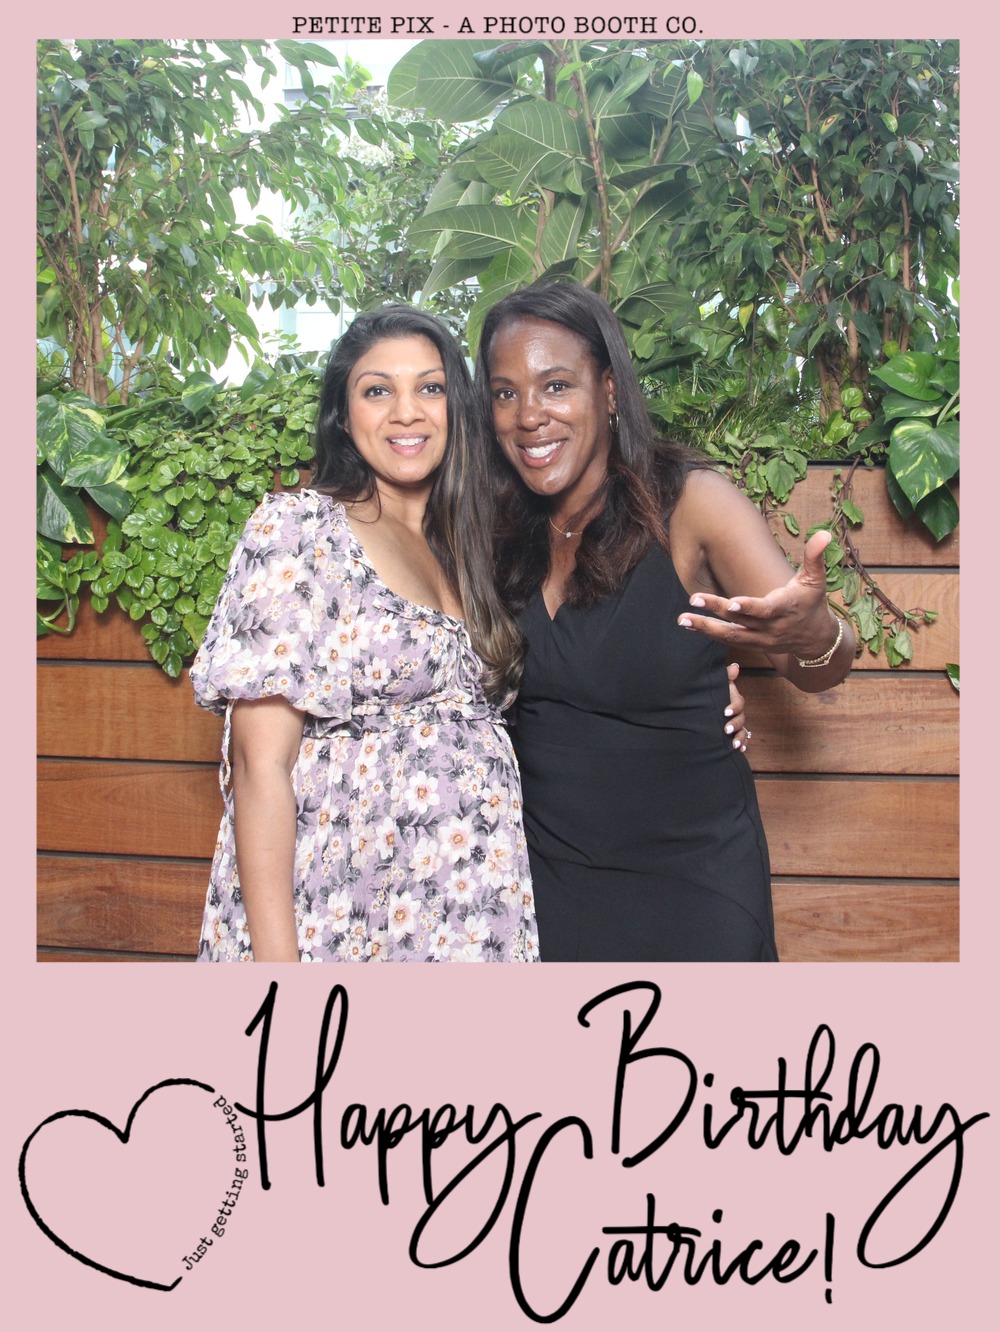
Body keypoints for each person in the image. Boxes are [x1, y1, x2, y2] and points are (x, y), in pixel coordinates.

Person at [473, 282, 856, 962]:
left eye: (556, 385)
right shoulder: (493, 529)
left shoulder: (692, 505)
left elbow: (819, 662)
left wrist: (815, 636)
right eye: (506, 393)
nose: (529, 416)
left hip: (692, 893)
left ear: (609, 390)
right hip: (544, 894)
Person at [190, 305, 540, 962]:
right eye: (378, 390)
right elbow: (260, 767)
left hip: (472, 917)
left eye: (430, 388)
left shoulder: (469, 547)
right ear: (344, 416)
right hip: (345, 915)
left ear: (458, 409)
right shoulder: (300, 532)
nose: (407, 412)